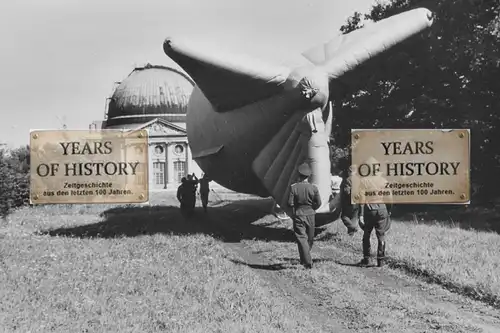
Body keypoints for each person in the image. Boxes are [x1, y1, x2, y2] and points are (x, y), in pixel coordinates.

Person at [357, 157, 393, 268]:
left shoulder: (364, 181)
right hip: (382, 210)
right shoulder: (384, 180)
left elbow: (362, 199)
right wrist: (389, 210)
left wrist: (361, 214)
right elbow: (390, 198)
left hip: (369, 210)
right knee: (381, 235)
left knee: (366, 234)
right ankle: (380, 261)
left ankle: (366, 259)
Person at [287, 163, 322, 269]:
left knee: (301, 238)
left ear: (299, 175)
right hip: (311, 215)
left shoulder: (294, 188)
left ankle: (307, 261)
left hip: (299, 215)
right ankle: (305, 259)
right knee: (310, 238)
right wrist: (312, 209)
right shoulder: (314, 188)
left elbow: (290, 203)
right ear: (309, 176)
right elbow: (319, 203)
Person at [339, 159, 360, 236]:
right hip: (357, 201)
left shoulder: (347, 180)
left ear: (349, 171)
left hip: (348, 201)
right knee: (354, 217)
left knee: (344, 216)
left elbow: (347, 192)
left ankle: (353, 228)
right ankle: (351, 234)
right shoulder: (359, 179)